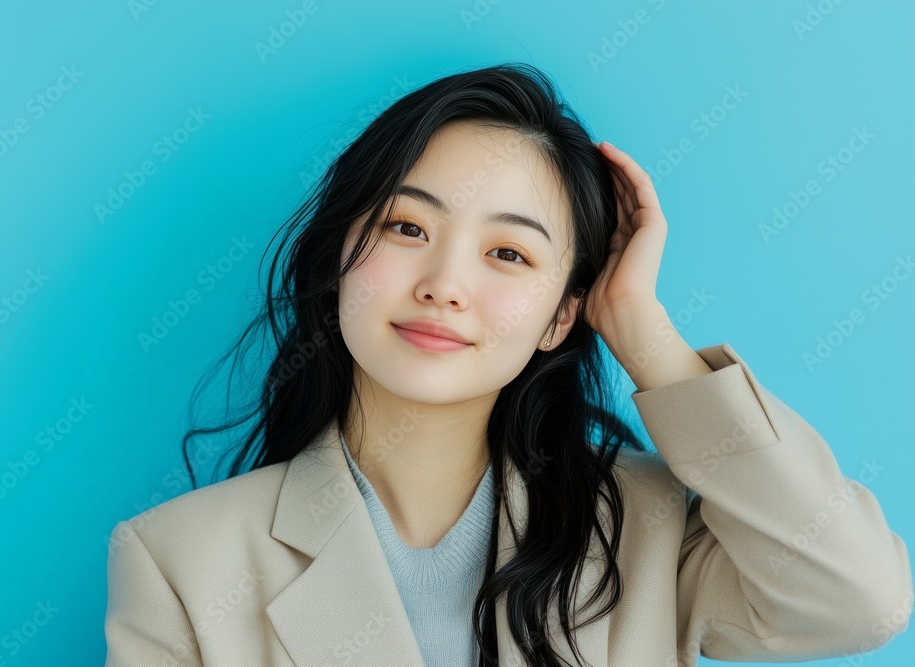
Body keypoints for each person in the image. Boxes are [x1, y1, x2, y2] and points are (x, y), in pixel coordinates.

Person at [103, 63, 912, 667]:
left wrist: (644, 334)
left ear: (564, 312)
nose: (445, 286)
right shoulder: (180, 558)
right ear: (339, 255)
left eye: (508, 252)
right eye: (407, 228)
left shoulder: (645, 526)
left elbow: (856, 598)